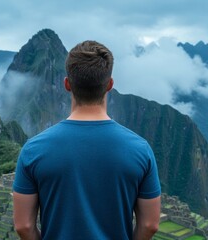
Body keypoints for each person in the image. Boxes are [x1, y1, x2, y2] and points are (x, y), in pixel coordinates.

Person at [12, 40, 161, 240]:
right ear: (110, 85)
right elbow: (150, 224)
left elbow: (24, 226)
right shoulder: (140, 150)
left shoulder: (33, 150)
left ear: (66, 84)